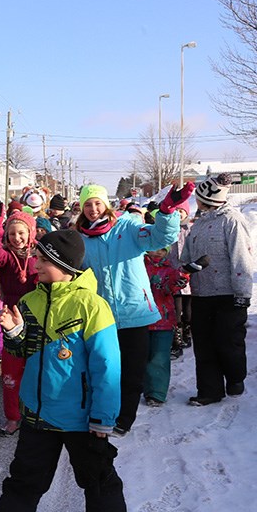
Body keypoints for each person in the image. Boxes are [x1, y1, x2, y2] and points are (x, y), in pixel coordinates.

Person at [0, 229, 126, 512]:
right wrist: (13, 332)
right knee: (23, 479)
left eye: (41, 259)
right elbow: (20, 351)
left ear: (62, 264)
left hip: (80, 417)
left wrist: (103, 419)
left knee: (96, 473)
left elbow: (107, 367)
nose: (34, 263)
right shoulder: (30, 301)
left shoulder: (92, 306)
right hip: (37, 413)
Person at [75, 183, 185, 435]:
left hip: (134, 312)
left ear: (106, 204)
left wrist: (167, 212)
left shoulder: (127, 227)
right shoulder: (80, 239)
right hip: (101, 316)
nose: (93, 209)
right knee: (104, 370)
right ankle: (103, 414)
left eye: (97, 203)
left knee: (132, 372)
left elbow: (161, 238)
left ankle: (124, 420)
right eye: (88, 204)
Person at [178, 174, 255, 405]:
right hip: (201, 293)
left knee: (228, 342)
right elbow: (186, 255)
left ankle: (235, 378)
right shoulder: (198, 223)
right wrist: (186, 268)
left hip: (228, 295)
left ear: (205, 199)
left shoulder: (232, 220)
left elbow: (241, 258)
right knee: (204, 345)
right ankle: (209, 391)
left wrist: (242, 294)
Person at [0, 199, 38, 437]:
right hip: (12, 322)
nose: (17, 237)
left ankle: (37, 415)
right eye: (12, 233)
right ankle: (13, 417)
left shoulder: (41, 256)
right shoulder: (5, 258)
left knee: (37, 371)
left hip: (38, 321)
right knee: (11, 374)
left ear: (30, 233)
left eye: (21, 232)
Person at [142, 248, 187, 407]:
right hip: (140, 319)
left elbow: (172, 285)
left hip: (164, 319)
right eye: (153, 249)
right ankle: (142, 386)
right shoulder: (138, 265)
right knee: (142, 355)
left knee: (159, 357)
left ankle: (157, 392)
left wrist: (181, 279)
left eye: (162, 250)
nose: (157, 253)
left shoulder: (170, 269)